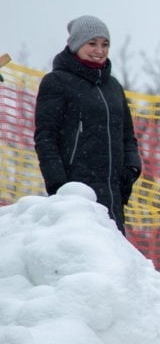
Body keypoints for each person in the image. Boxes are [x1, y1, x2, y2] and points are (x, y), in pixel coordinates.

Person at [34, 15, 142, 235]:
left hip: (113, 192)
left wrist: (131, 168)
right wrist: (58, 184)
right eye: (92, 43)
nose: (99, 50)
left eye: (105, 44)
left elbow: (127, 135)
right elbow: (46, 138)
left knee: (115, 260)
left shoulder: (113, 86)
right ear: (76, 44)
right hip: (76, 191)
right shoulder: (56, 82)